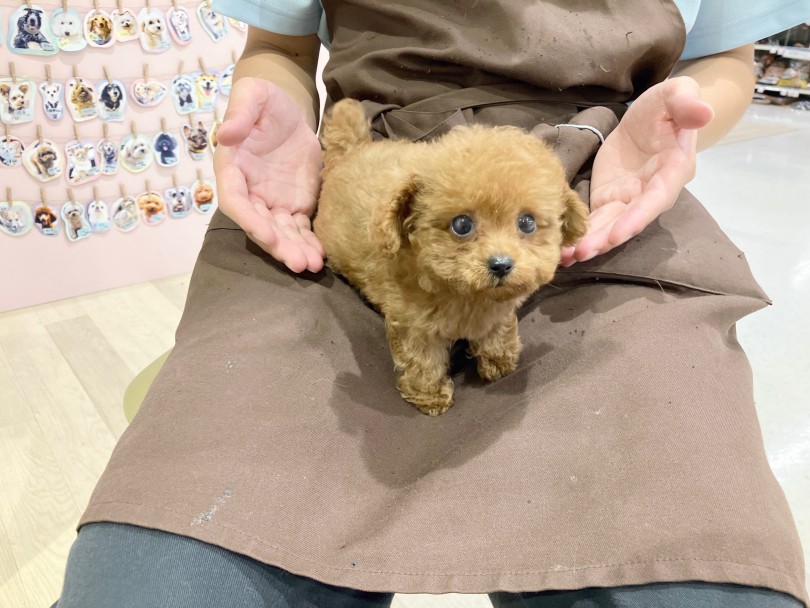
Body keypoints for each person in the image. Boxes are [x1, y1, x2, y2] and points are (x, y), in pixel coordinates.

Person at [56, 2, 810, 607]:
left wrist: (685, 112)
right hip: (357, 199)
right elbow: (277, 47)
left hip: (610, 195)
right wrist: (275, 97)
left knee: (692, 563)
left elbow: (724, 60)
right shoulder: (381, 216)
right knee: (166, 574)